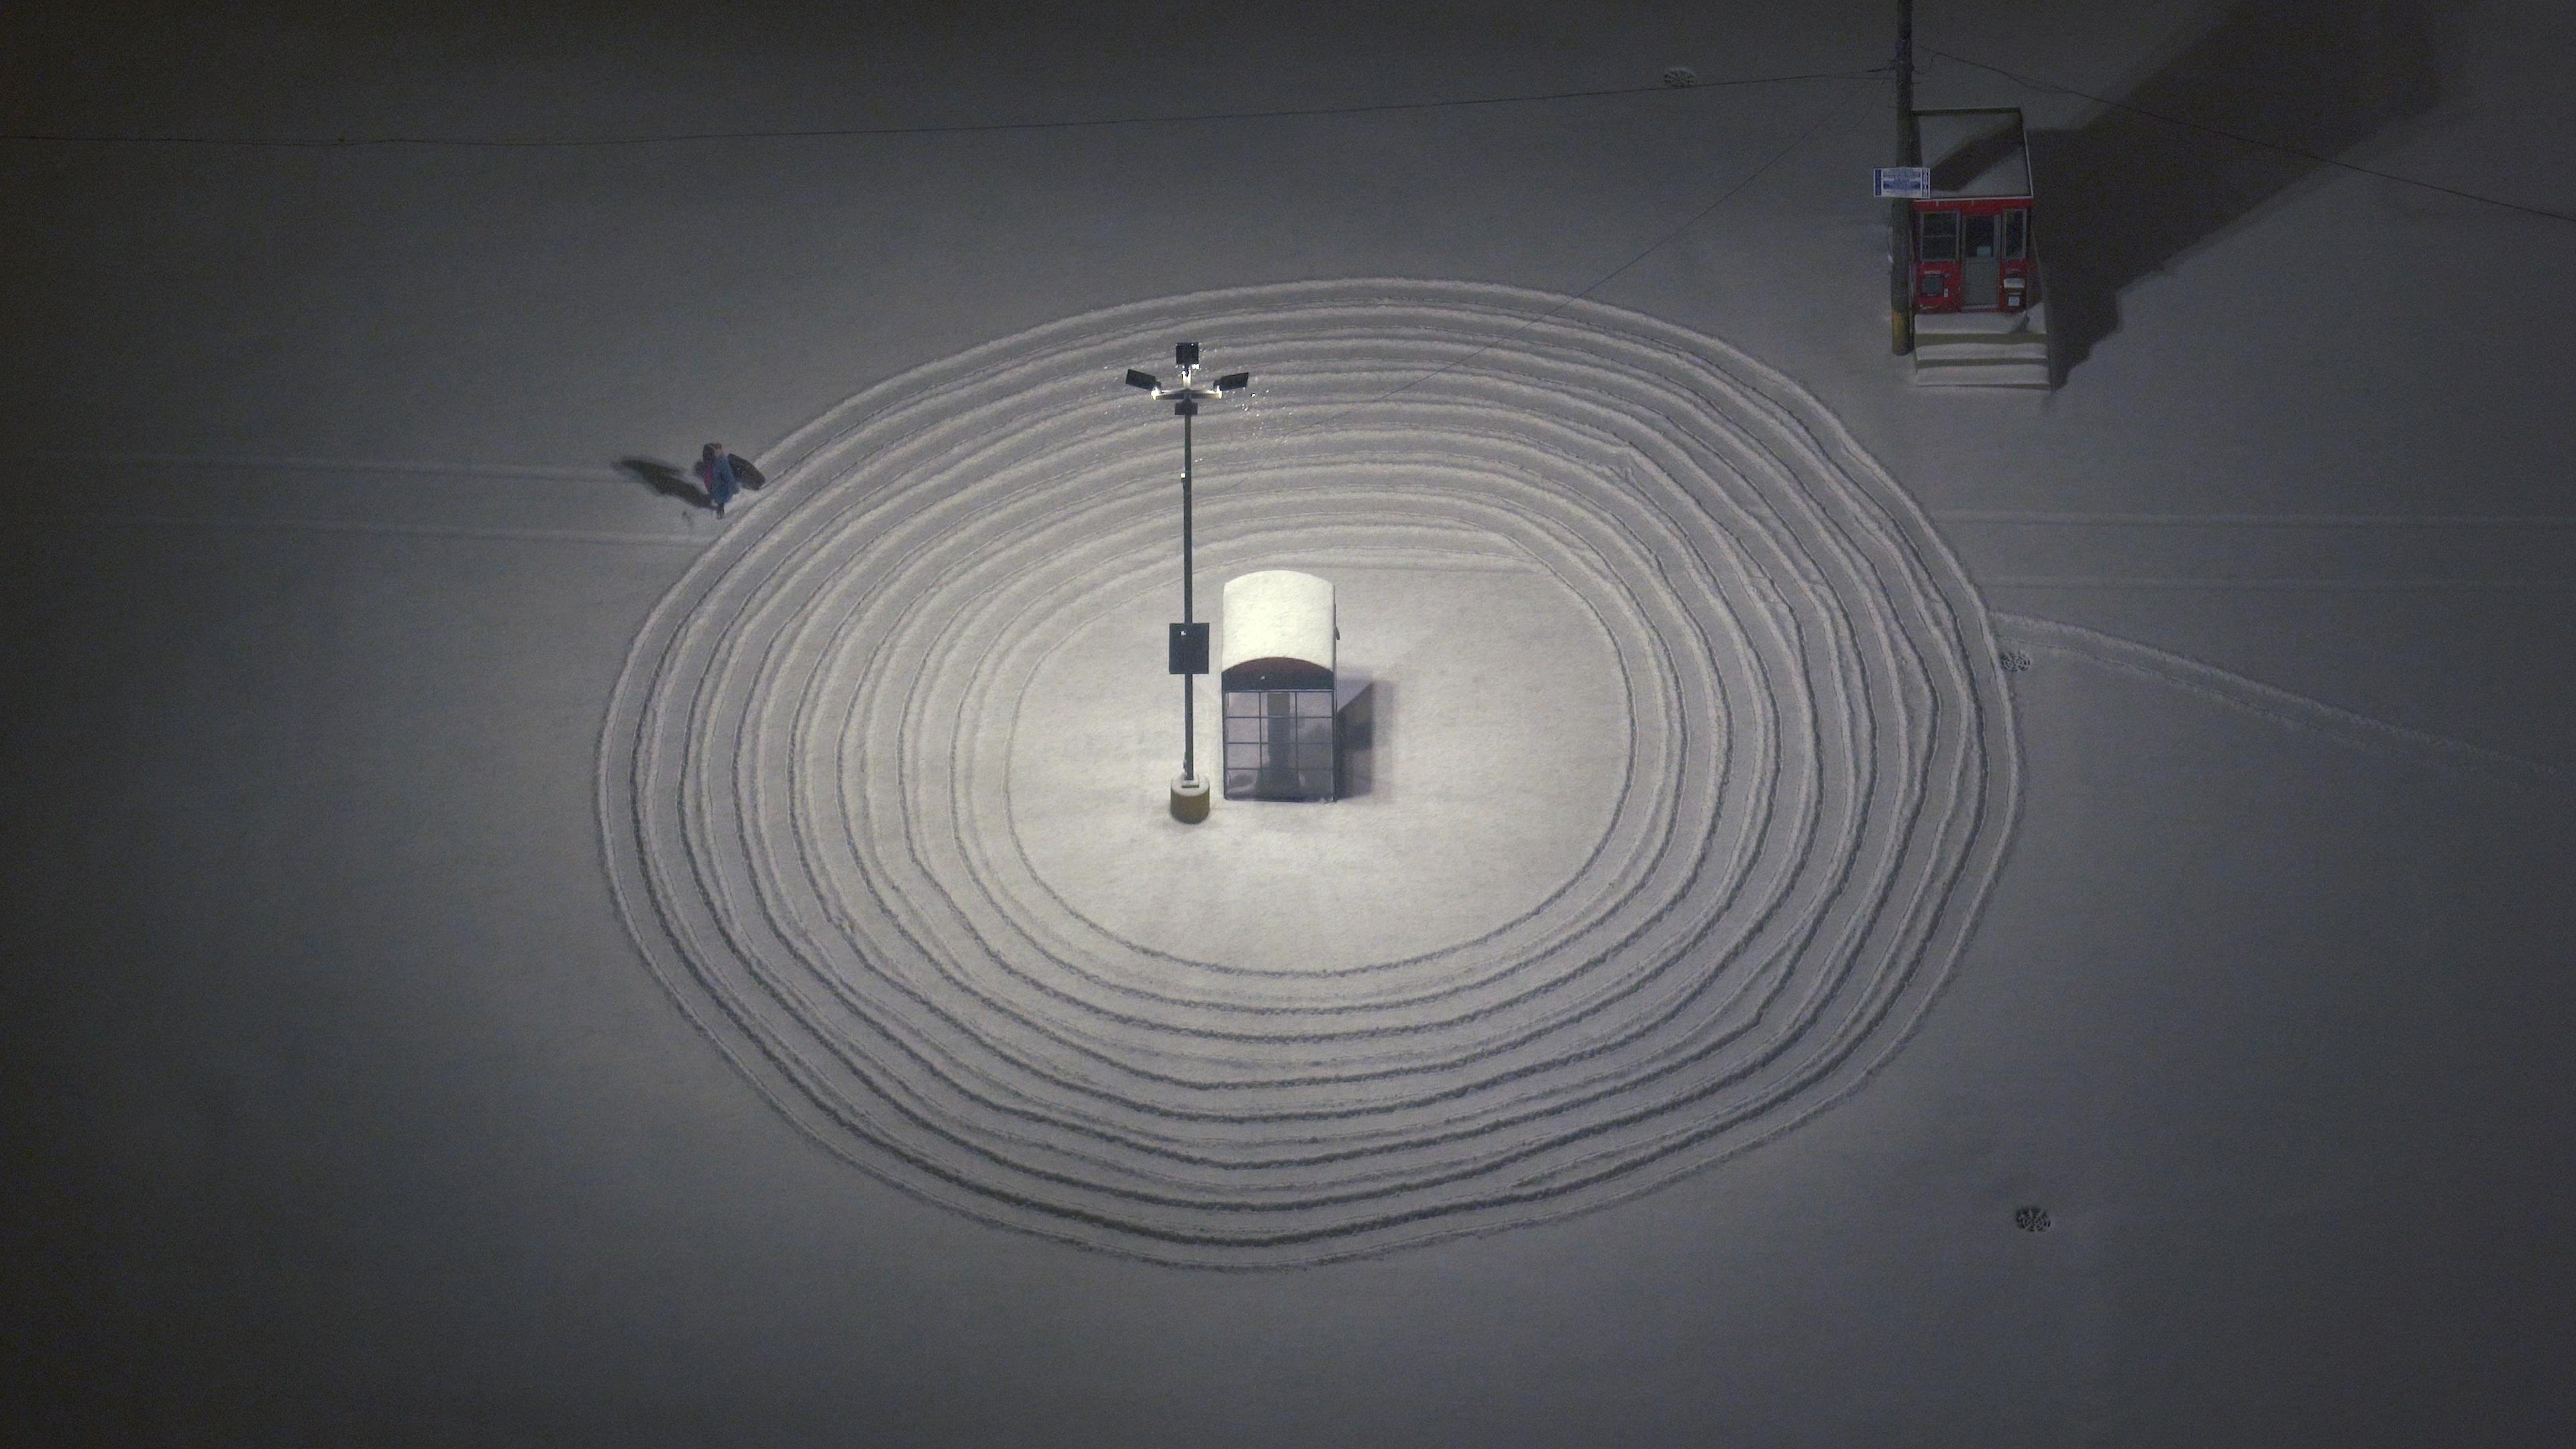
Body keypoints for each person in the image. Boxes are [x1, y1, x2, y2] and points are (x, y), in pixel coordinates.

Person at [694, 442, 742, 518]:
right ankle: (722, 511)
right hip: (724, 493)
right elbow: (729, 478)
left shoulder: (708, 464)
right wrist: (736, 491)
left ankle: (720, 509)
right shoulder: (721, 462)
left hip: (713, 491)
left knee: (719, 491)